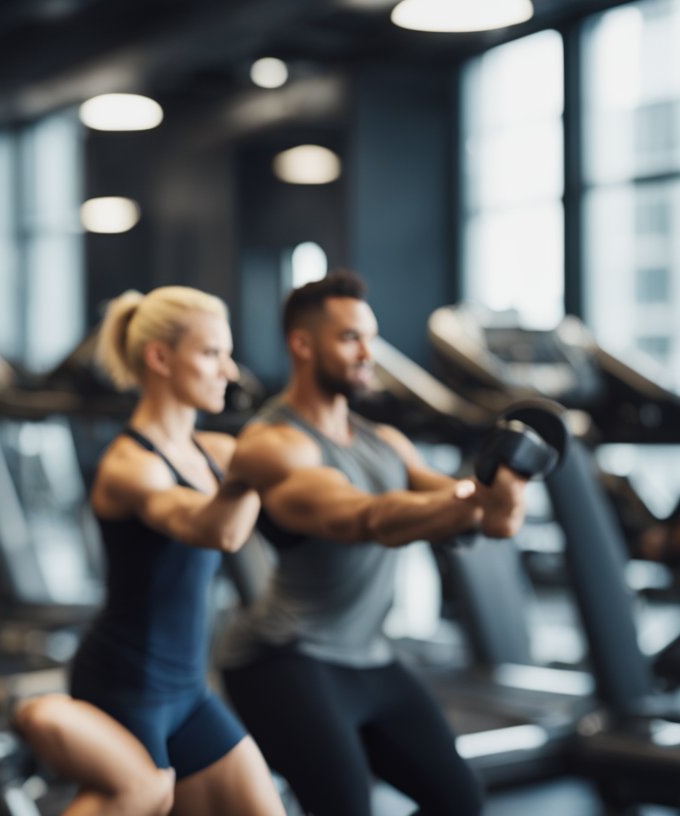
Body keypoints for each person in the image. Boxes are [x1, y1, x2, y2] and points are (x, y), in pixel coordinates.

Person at [217, 270, 529, 816]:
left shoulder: (384, 442)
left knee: (460, 801)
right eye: (350, 338)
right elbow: (364, 519)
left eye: (371, 336)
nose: (369, 352)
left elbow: (485, 515)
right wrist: (474, 501)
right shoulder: (276, 444)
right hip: (286, 660)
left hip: (371, 657)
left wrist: (504, 485)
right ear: (302, 344)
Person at [15, 287, 286, 816]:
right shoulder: (131, 465)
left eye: (227, 355)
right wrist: (251, 473)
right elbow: (214, 529)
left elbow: (317, 489)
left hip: (188, 690)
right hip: (125, 686)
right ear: (160, 358)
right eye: (211, 354)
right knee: (146, 796)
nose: (229, 371)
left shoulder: (214, 452)